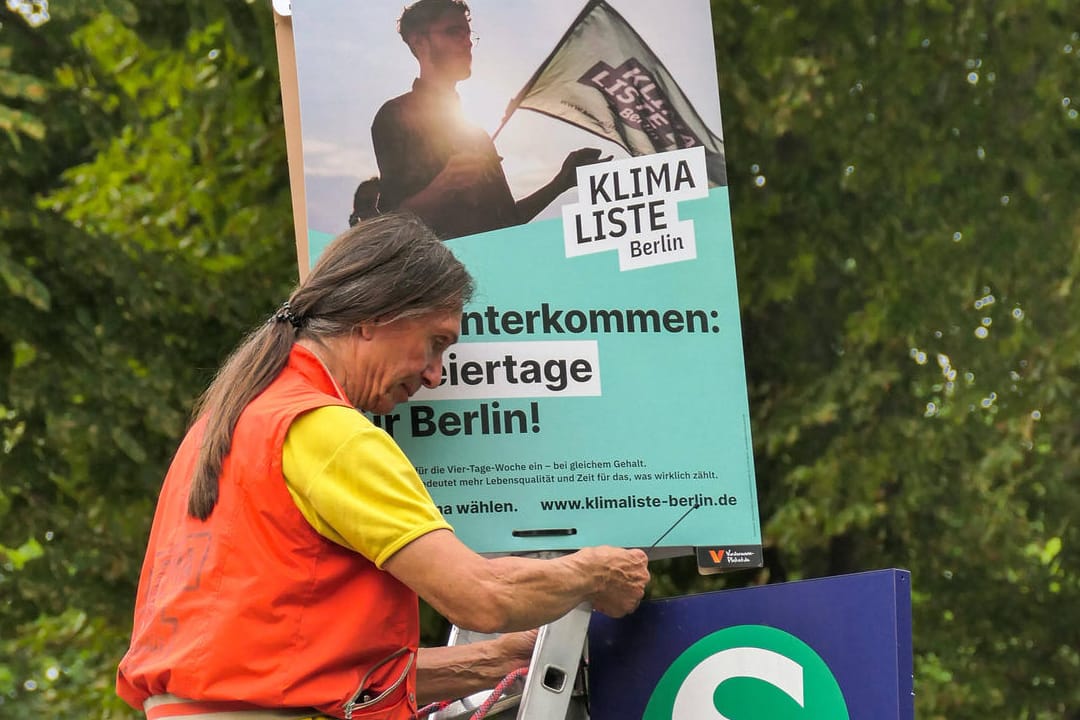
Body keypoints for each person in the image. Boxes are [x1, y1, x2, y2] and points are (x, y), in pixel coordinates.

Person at [116, 213, 649, 720]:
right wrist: (596, 570)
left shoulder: (232, 423)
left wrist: (501, 659)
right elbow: (481, 598)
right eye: (436, 342)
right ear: (373, 316)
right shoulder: (328, 432)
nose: (437, 375)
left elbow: (315, 675)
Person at [372, 0, 605, 240]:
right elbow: (393, 222)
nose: (467, 42)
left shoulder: (476, 136)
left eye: (468, 34)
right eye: (453, 32)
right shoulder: (396, 115)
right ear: (419, 42)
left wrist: (561, 183)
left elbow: (507, 221)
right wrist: (445, 184)